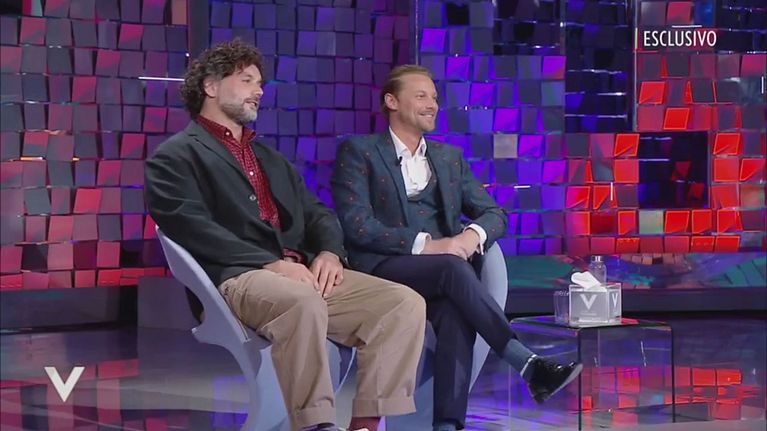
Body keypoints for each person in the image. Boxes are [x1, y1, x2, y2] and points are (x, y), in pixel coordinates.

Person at [144, 40, 426, 431]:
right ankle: (315, 425)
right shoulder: (175, 156)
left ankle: (364, 425)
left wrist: (329, 252)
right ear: (210, 87)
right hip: (238, 276)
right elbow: (190, 226)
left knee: (402, 304)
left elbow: (317, 213)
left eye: (260, 83)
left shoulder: (269, 157)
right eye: (246, 80)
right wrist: (271, 264)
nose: (259, 90)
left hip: (299, 273)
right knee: (302, 300)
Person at [331, 64, 582, 431]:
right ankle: (526, 362)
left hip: (442, 276)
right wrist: (429, 246)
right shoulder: (360, 151)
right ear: (391, 101)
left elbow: (494, 213)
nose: (432, 104)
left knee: (455, 311)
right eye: (421, 96)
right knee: (452, 266)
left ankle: (447, 425)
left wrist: (470, 237)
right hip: (384, 269)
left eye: (434, 97)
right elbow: (357, 225)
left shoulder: (449, 158)